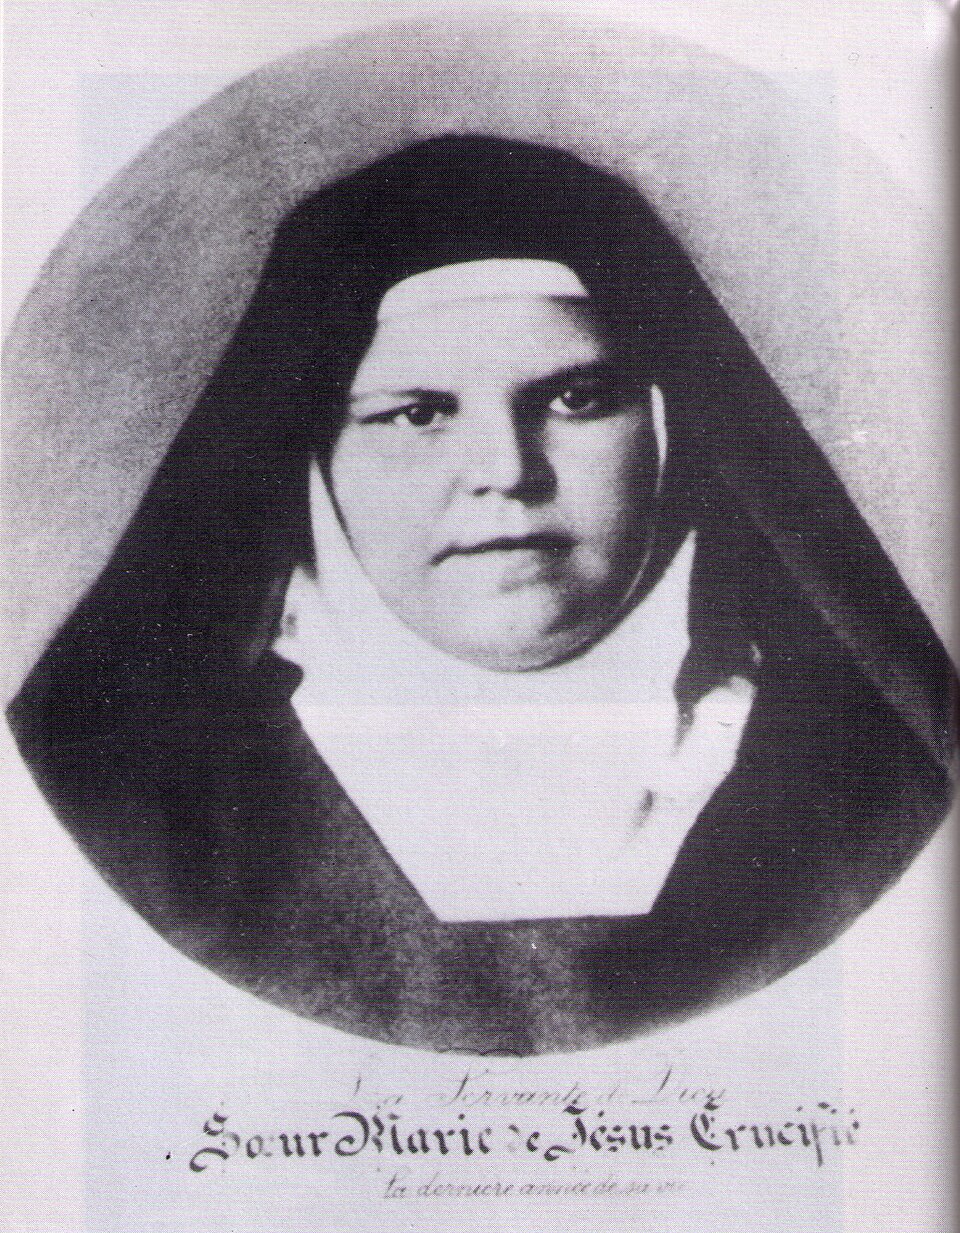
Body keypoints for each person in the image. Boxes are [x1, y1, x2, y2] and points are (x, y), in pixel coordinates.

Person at [8, 136, 955, 1055]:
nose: (506, 470)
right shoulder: (142, 823)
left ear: (670, 433)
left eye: (577, 399)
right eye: (417, 414)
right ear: (315, 467)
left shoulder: (878, 792)